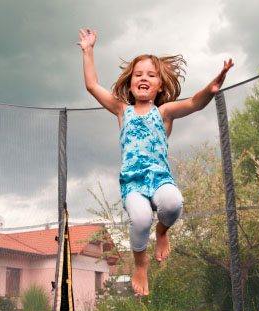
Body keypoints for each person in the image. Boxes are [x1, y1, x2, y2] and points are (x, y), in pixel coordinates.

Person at [77, 27, 234, 297]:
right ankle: (140, 262)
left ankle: (162, 231)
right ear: (129, 83)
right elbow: (92, 85)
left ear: (160, 85)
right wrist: (88, 50)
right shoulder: (121, 110)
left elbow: (196, 103)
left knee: (173, 203)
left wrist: (211, 88)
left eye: (150, 75)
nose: (143, 78)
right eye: (138, 75)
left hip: (160, 179)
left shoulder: (164, 112)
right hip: (133, 185)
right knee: (139, 220)